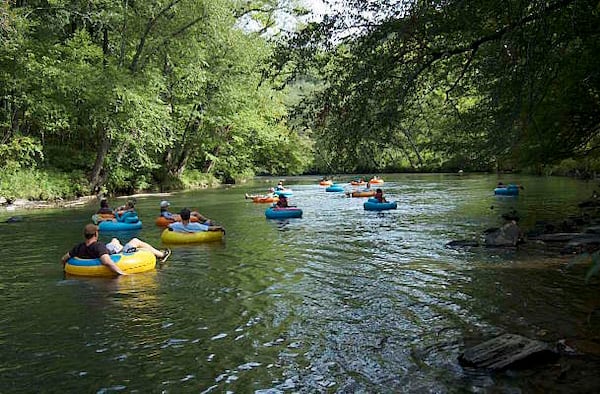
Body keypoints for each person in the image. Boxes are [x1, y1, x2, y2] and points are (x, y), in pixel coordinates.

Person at [61, 224, 171, 275]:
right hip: (120, 255)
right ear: (96, 234)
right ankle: (161, 255)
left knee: (114, 241)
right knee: (136, 241)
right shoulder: (99, 246)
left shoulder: (78, 247)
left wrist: (66, 269)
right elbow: (107, 262)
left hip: (100, 253)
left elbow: (64, 259)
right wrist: (121, 273)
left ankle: (117, 244)